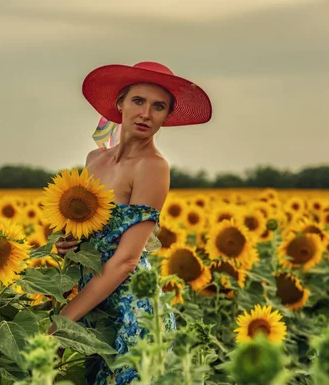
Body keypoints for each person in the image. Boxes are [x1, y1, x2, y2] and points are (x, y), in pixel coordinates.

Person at [50, 61, 212, 384]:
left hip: (134, 313)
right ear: (120, 103)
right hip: (96, 310)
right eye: (138, 101)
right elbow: (90, 232)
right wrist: (69, 242)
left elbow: (125, 260)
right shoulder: (93, 161)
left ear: (166, 117)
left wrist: (62, 322)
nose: (146, 114)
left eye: (158, 107)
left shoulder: (153, 168)